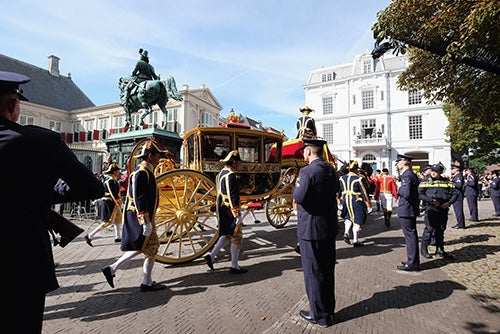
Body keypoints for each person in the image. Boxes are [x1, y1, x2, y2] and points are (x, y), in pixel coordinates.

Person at [0, 71, 104, 333]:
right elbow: (91, 186)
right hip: (20, 259)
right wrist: (44, 192)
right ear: (13, 106)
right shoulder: (39, 141)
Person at [101, 138, 167, 292]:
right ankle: (146, 282)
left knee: (142, 246)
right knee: (152, 246)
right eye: (157, 155)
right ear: (150, 156)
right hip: (140, 216)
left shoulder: (144, 171)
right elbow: (139, 198)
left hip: (142, 216)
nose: (159, 158)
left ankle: (113, 269)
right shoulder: (142, 172)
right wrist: (145, 221)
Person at [293, 138, 339, 328]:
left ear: (309, 151)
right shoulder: (330, 169)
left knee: (313, 273)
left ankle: (319, 315)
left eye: (304, 151)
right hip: (328, 227)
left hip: (310, 228)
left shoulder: (307, 171)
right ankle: (328, 311)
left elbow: (298, 196)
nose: (303, 154)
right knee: (327, 271)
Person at [203, 150, 247, 273]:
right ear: (233, 162)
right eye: (238, 162)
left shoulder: (221, 173)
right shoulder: (231, 175)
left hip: (223, 208)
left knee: (227, 234)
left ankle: (211, 256)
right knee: (236, 236)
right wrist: (237, 214)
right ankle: (234, 265)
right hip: (230, 209)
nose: (239, 165)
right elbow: (232, 195)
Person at [418, 163, 458, 260]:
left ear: (440, 172)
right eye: (432, 170)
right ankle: (424, 249)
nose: (433, 173)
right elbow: (420, 194)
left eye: (435, 171)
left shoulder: (447, 182)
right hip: (431, 208)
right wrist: (430, 200)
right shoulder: (426, 181)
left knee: (441, 229)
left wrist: (448, 203)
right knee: (429, 229)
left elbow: (455, 194)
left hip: (443, 208)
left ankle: (440, 249)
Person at [85, 163, 123, 246]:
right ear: (115, 171)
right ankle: (90, 236)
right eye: (118, 170)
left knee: (118, 219)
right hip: (109, 202)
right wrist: (119, 202)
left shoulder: (114, 180)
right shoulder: (110, 181)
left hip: (114, 203)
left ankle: (118, 237)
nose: (119, 172)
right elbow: (113, 193)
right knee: (107, 222)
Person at [395, 154, 421, 272]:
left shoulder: (407, 175)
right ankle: (413, 261)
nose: (397, 164)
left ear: (405, 162)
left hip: (407, 209)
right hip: (409, 208)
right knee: (411, 236)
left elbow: (406, 193)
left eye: (399, 161)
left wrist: (399, 187)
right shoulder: (409, 174)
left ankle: (412, 263)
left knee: (410, 236)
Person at [338, 160, 372, 247]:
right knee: (357, 219)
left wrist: (339, 201)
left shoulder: (342, 178)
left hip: (345, 200)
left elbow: (339, 191)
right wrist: (368, 204)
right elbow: (364, 192)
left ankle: (346, 233)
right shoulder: (359, 178)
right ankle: (356, 240)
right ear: (356, 169)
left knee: (348, 217)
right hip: (357, 201)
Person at [450, 163, 466, 229]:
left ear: (457, 169)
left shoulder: (459, 176)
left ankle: (461, 224)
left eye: (452, 169)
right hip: (456, 195)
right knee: (457, 211)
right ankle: (459, 223)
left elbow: (459, 185)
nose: (451, 170)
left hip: (458, 195)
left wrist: (452, 182)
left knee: (458, 211)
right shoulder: (456, 176)